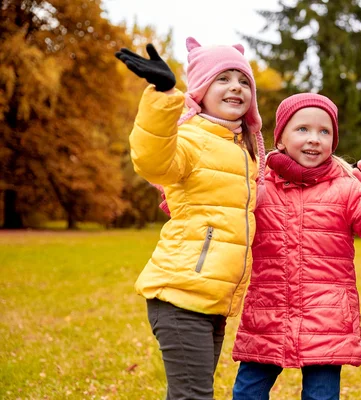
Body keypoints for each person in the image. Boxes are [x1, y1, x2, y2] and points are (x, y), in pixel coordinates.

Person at [231, 93, 361, 400]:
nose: (314, 139)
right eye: (302, 129)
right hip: (268, 312)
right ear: (281, 139)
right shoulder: (258, 184)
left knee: (321, 396)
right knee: (248, 393)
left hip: (327, 317)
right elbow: (219, 212)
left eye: (324, 131)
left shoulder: (346, 189)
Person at [114, 37, 266, 400]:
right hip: (182, 294)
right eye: (223, 78)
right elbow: (154, 161)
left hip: (212, 299)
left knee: (190, 393)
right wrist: (164, 96)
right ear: (200, 89)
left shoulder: (244, 150)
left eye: (243, 80)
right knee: (194, 396)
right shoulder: (191, 138)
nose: (236, 87)